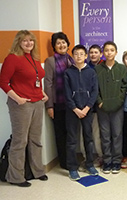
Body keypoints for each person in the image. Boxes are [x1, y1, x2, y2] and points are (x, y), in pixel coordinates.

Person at [0, 30, 48, 187]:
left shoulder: (33, 58)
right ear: (18, 42)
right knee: (20, 141)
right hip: (21, 105)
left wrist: (42, 93)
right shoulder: (12, 59)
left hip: (37, 103)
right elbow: (3, 82)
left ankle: (37, 171)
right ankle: (16, 176)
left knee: (35, 139)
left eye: (31, 41)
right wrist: (18, 99)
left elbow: (36, 78)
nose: (29, 43)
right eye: (25, 41)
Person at [64, 45, 99, 181]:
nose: (79, 56)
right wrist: (75, 109)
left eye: (81, 54)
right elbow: (67, 94)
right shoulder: (68, 72)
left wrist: (86, 108)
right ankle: (72, 168)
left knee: (88, 138)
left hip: (87, 110)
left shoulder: (91, 72)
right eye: (76, 54)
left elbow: (95, 92)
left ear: (86, 56)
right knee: (72, 140)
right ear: (72, 56)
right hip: (72, 111)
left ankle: (89, 164)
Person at [95, 41, 127, 174]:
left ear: (116, 52)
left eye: (112, 50)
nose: (109, 52)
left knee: (117, 134)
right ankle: (107, 161)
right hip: (102, 107)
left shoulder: (121, 68)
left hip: (117, 108)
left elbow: (124, 87)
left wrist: (118, 102)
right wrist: (100, 102)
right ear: (103, 53)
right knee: (105, 135)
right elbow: (94, 88)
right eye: (107, 50)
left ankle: (116, 161)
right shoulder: (97, 69)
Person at [44, 32, 74, 170]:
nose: (61, 45)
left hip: (71, 104)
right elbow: (48, 84)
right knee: (60, 133)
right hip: (58, 103)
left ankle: (71, 159)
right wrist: (49, 106)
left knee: (70, 133)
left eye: (63, 42)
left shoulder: (72, 59)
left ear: (68, 44)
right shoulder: (50, 61)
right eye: (58, 43)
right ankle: (64, 162)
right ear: (54, 46)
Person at [79, 44, 104, 171]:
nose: (94, 54)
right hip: (86, 107)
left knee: (97, 134)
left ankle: (100, 156)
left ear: (101, 54)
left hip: (99, 106)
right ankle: (86, 157)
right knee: (85, 134)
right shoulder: (84, 67)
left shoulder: (104, 67)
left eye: (96, 52)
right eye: (91, 52)